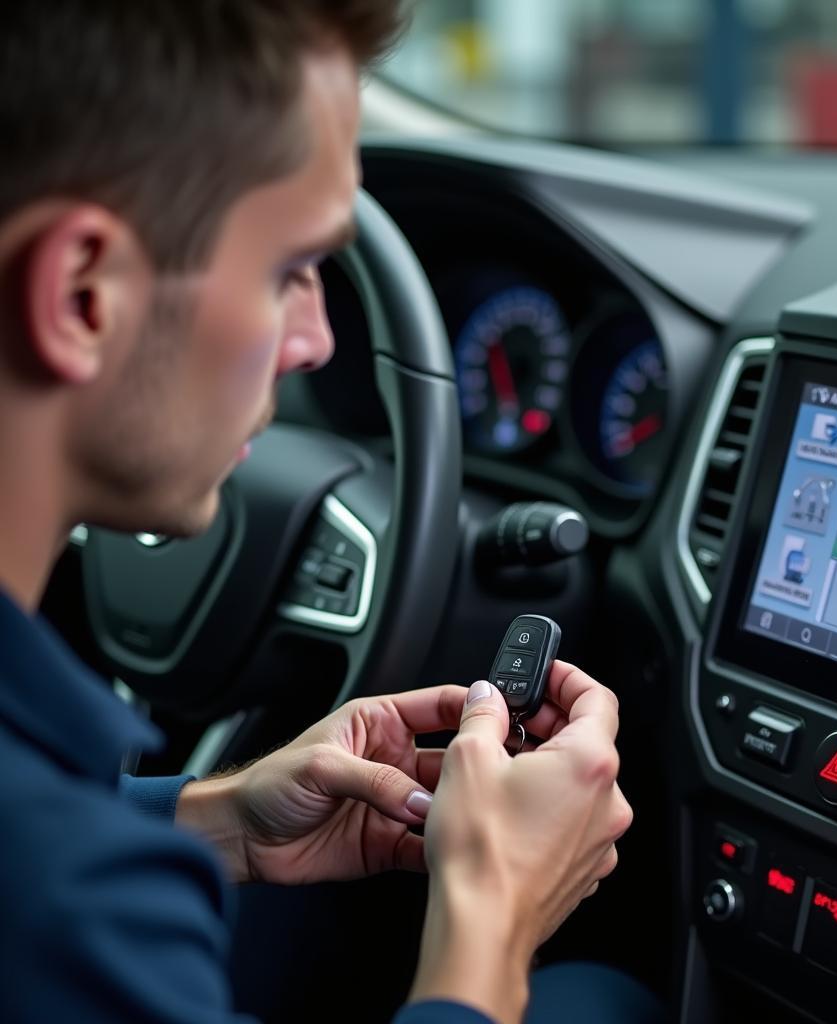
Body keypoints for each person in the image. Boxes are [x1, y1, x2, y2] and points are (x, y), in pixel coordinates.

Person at [0, 3, 657, 1023]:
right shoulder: (70, 903)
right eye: (290, 270)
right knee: (597, 995)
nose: (314, 341)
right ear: (84, 294)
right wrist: (492, 908)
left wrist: (216, 820)